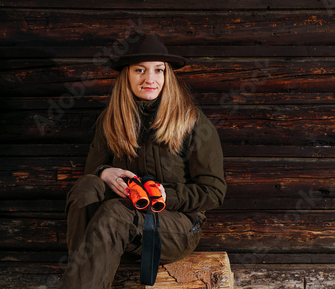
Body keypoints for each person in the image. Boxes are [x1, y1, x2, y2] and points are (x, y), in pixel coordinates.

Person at [59, 33, 226, 288]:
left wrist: (167, 195)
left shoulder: (191, 122)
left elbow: (214, 192)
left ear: (167, 75)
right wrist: (104, 173)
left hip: (176, 228)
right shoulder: (112, 118)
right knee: (85, 188)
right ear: (127, 74)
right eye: (140, 70)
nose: (150, 79)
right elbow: (92, 172)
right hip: (116, 227)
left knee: (116, 212)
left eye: (158, 70)